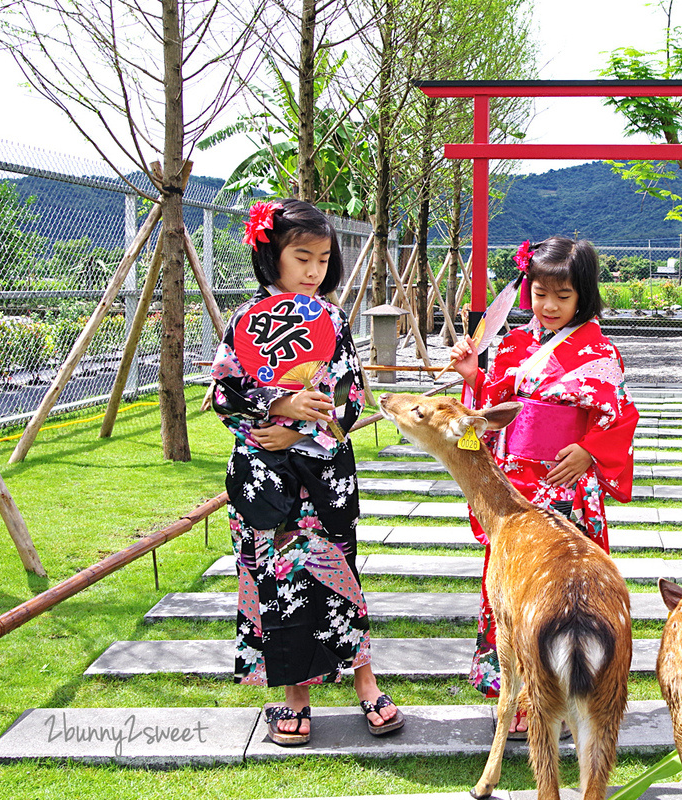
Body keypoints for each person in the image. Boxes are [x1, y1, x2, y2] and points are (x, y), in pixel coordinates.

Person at [209, 199, 403, 746]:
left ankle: (366, 683)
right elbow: (225, 394)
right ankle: (295, 696)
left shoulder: (335, 319)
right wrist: (277, 405)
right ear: (271, 256)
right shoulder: (243, 322)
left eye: (323, 259)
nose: (314, 270)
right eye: (302, 257)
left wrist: (300, 427)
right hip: (268, 479)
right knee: (275, 584)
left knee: (340, 575)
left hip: (321, 476)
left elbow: (351, 395)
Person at [449, 236, 639, 737]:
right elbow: (488, 409)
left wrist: (591, 451)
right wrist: (473, 375)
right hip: (516, 484)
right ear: (527, 291)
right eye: (539, 294)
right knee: (513, 587)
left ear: (583, 296)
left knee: (564, 591)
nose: (549, 306)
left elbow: (620, 416)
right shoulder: (512, 345)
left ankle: (558, 691)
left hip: (566, 484)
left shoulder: (600, 350)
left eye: (563, 295)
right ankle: (516, 691)